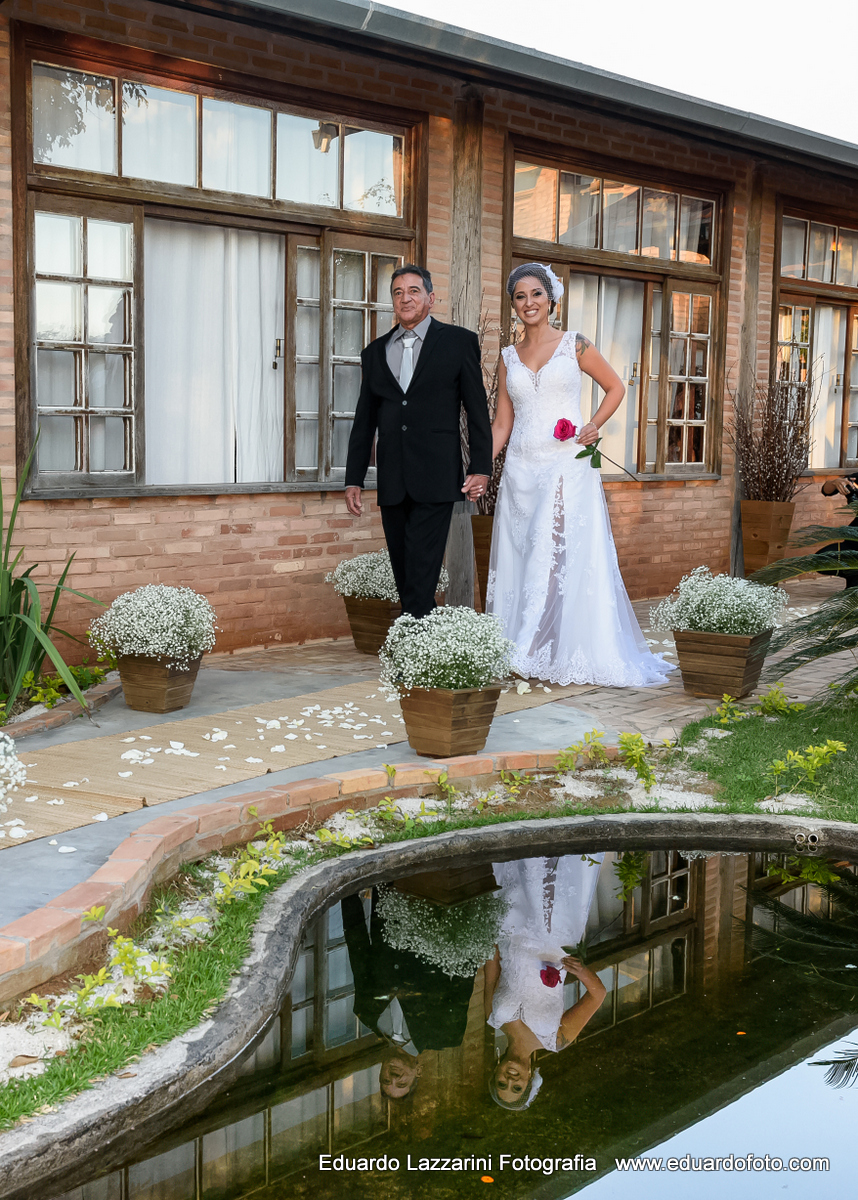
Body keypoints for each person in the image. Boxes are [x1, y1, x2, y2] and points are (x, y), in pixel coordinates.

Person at [487, 262, 674, 687]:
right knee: (521, 551)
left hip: (565, 462)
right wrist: (481, 468)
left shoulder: (575, 344)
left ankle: (534, 646)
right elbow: (501, 422)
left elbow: (616, 387)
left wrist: (594, 424)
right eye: (520, 296)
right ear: (513, 305)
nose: (528, 303)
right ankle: (525, 639)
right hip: (520, 466)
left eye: (536, 294)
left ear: (551, 300)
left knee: (549, 552)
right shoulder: (506, 358)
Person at [344, 265, 493, 618]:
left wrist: (481, 468)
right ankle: (420, 629)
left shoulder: (458, 342)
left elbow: (476, 411)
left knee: (423, 560)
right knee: (403, 563)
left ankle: (413, 630)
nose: (405, 298)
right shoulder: (375, 352)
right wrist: (354, 477)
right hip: (393, 477)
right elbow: (365, 420)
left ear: (430, 297)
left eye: (413, 290)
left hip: (437, 473)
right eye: (398, 292)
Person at [484, 854, 607, 1110]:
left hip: (511, 932)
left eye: (501, 1083)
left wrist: (487, 931)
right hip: (552, 937)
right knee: (551, 874)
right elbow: (598, 995)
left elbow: (492, 968)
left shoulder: (492, 1018)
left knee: (516, 872)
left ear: (495, 1072)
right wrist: (582, 972)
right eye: (516, 1087)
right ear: (530, 1079)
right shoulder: (557, 1039)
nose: (509, 1080)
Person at [341, 890, 477, 1100]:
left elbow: (357, 947)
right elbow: (464, 978)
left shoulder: (365, 1012)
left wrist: (347, 894)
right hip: (439, 906)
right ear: (418, 1072)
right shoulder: (446, 1033)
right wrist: (469, 905)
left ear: (380, 1071)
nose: (393, 1077)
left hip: (390, 900)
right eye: (401, 1082)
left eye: (386, 1080)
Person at [816, 475, 858, 588]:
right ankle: (854, 580)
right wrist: (835, 482)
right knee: (820, 560)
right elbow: (826, 490)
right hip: (854, 542)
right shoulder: (855, 479)